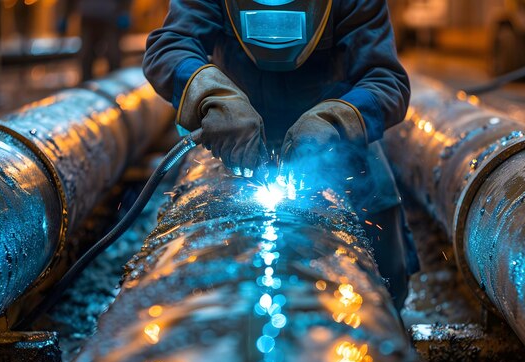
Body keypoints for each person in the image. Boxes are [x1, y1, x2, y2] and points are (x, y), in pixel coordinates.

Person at [143, 0, 418, 309]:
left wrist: (337, 118)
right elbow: (169, 47)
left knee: (384, 241)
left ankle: (385, 323)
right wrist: (213, 95)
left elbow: (386, 79)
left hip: (328, 142)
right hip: (236, 135)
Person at [58, 0, 133, 82]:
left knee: (113, 55)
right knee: (86, 56)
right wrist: (65, 15)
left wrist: (124, 11)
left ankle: (115, 85)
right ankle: (86, 85)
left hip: (110, 19)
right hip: (89, 19)